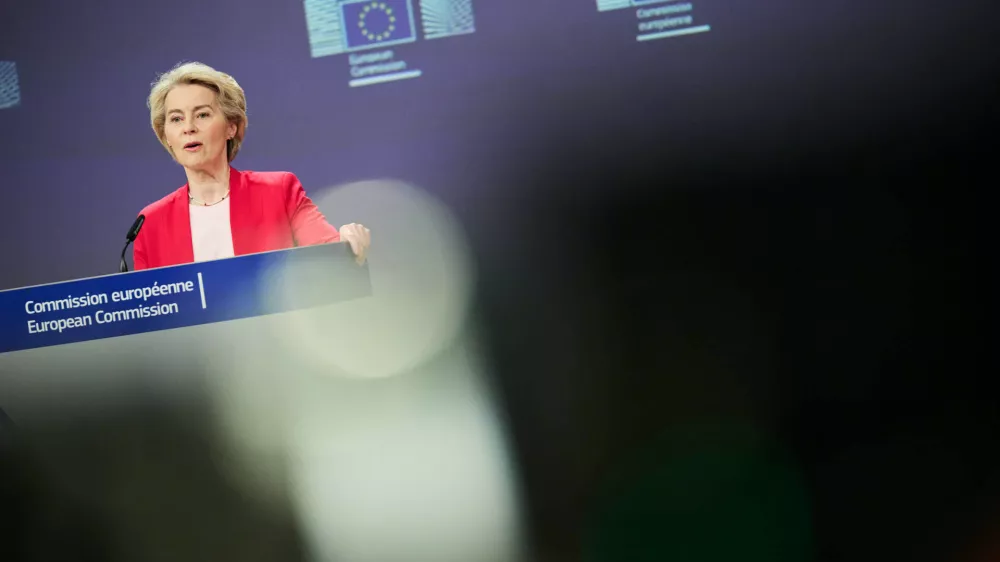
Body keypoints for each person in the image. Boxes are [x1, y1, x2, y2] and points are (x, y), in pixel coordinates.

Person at [132, 62, 370, 270]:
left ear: (231, 127)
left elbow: (327, 253)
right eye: (176, 119)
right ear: (166, 136)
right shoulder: (149, 224)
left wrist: (347, 243)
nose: (188, 128)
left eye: (202, 115)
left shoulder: (279, 191)